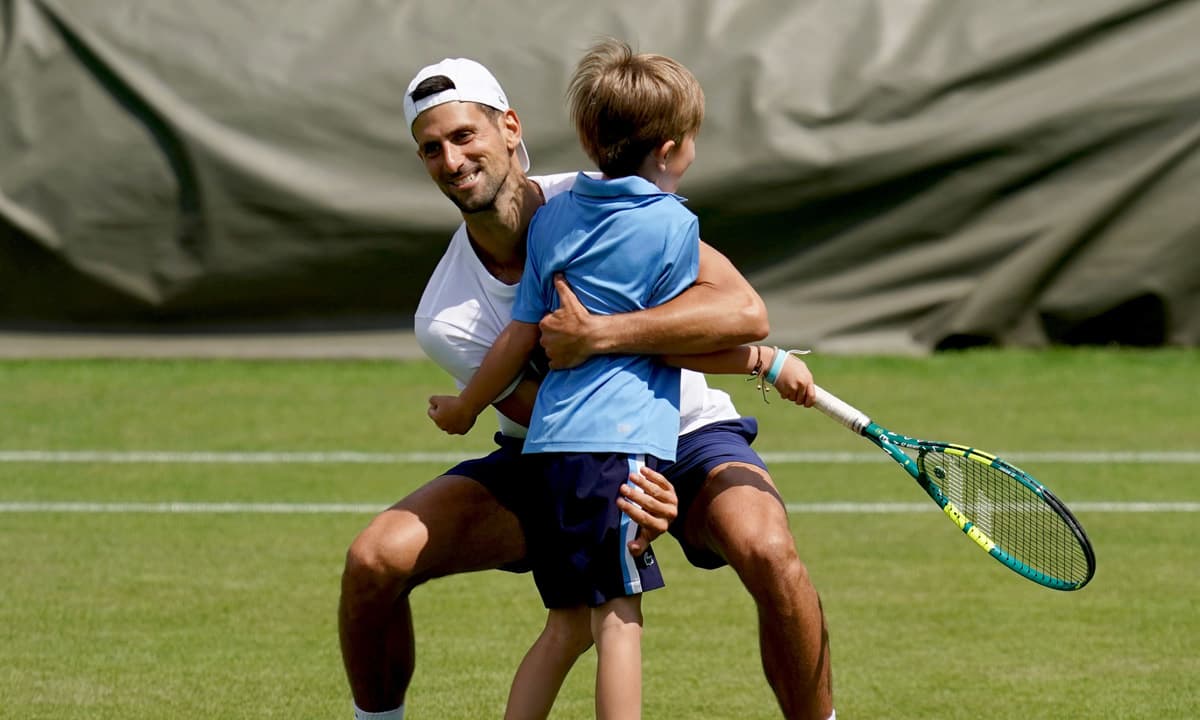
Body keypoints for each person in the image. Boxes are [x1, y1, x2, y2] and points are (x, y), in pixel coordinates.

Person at [337, 50, 835, 720]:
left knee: (769, 550)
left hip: (685, 433)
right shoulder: (444, 315)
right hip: (558, 453)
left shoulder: (609, 192)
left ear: (509, 128)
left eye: (464, 137)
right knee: (375, 558)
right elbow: (549, 413)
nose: (451, 161)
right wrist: (621, 482)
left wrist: (605, 336)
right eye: (431, 149)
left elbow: (742, 311)